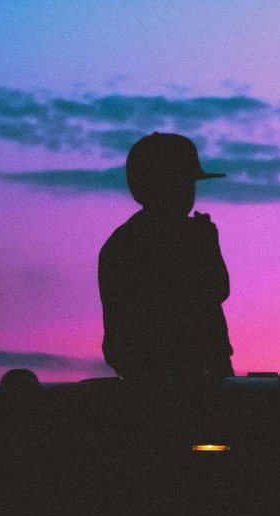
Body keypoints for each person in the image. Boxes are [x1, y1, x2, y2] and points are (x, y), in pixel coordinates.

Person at [98, 132, 234, 390]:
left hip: (144, 378)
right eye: (182, 185)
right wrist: (208, 246)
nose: (188, 194)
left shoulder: (120, 243)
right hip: (196, 377)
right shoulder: (188, 239)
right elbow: (216, 289)